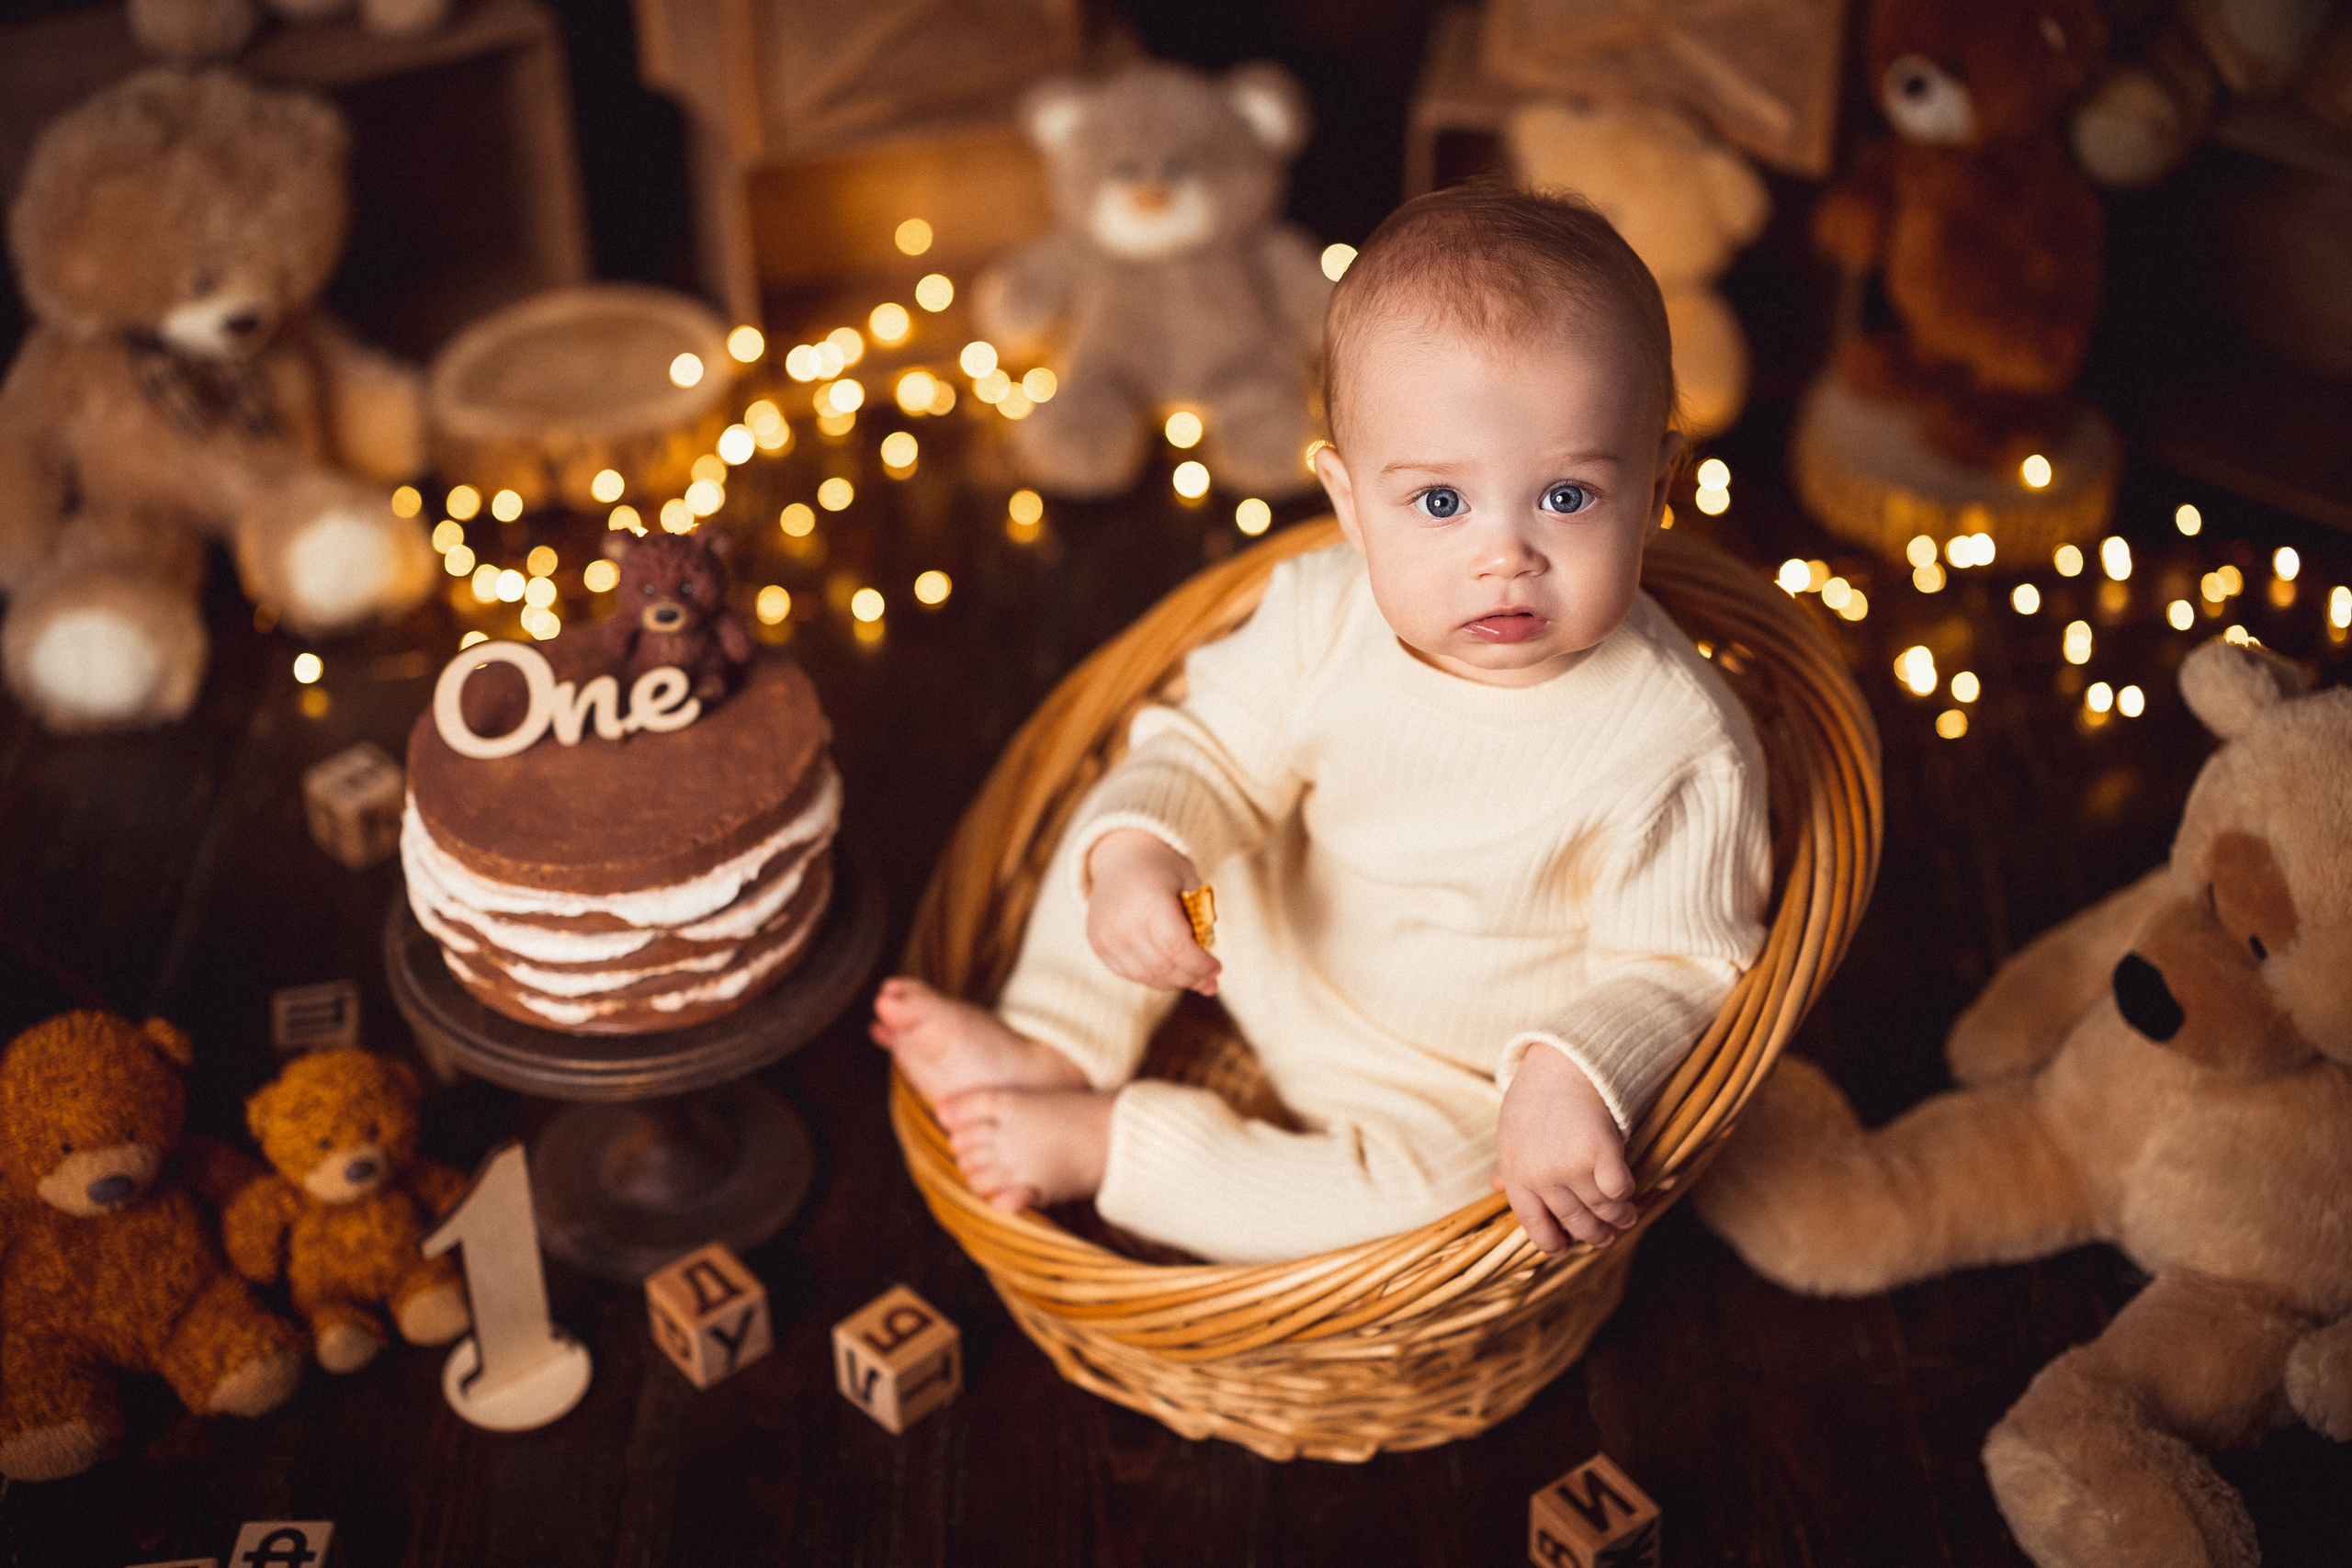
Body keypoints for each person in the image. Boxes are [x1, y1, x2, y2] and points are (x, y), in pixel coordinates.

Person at [872, 184, 1770, 1264]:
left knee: (1442, 1210)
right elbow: (1207, 756)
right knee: (1137, 808)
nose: (1504, 555)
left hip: (1460, 1081)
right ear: (1348, 506)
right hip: (1271, 933)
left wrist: (1570, 1072)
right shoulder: (1318, 611)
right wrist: (1142, 859)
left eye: (1567, 498)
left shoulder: (1676, 747)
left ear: (1660, 488)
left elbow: (1678, 963)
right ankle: (1055, 1042)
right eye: (1439, 503)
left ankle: (1112, 1143)